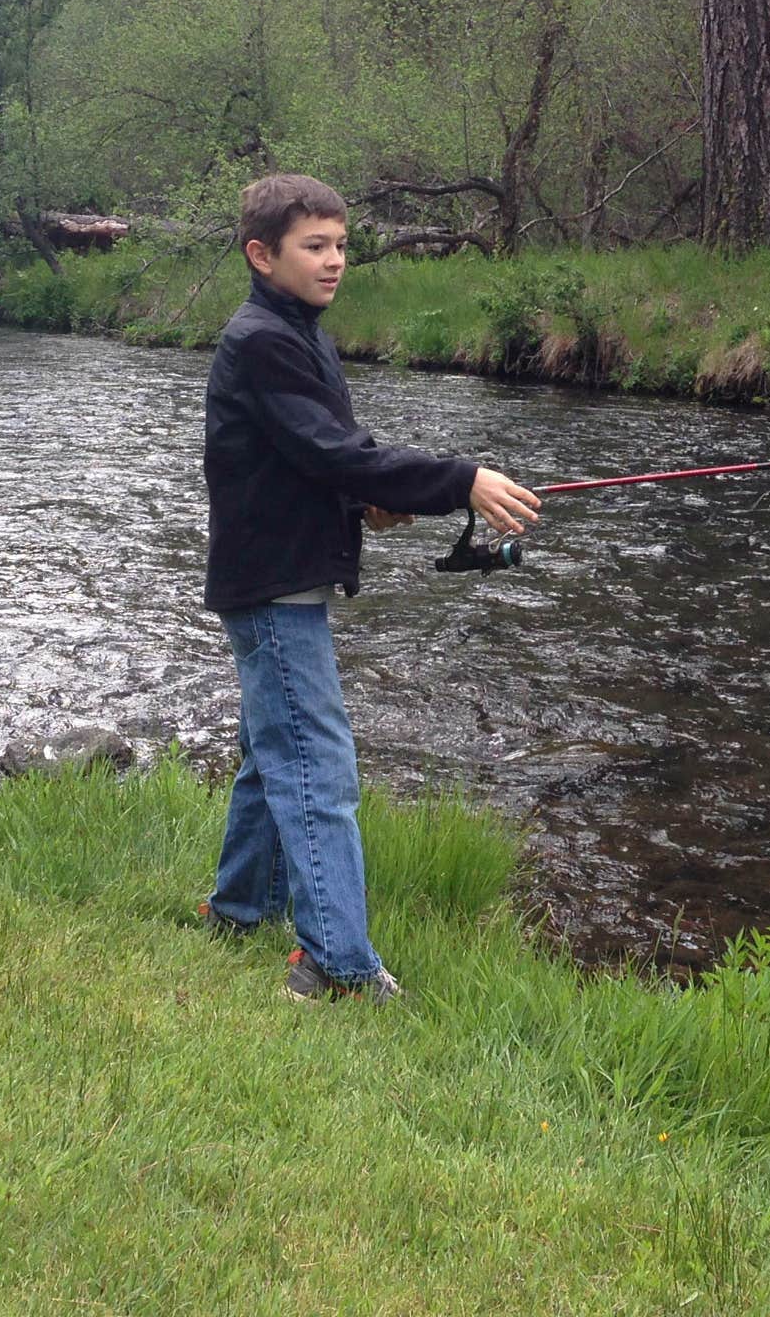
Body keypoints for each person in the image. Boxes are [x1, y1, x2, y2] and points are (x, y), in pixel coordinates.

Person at [200, 171, 541, 1003]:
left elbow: (322, 451)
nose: (334, 261)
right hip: (274, 586)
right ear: (261, 254)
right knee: (317, 766)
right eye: (314, 247)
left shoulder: (298, 330)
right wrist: (459, 479)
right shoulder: (263, 340)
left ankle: (237, 910)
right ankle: (337, 965)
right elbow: (328, 452)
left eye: (341, 245)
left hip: (278, 574)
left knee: (268, 754)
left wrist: (370, 499)